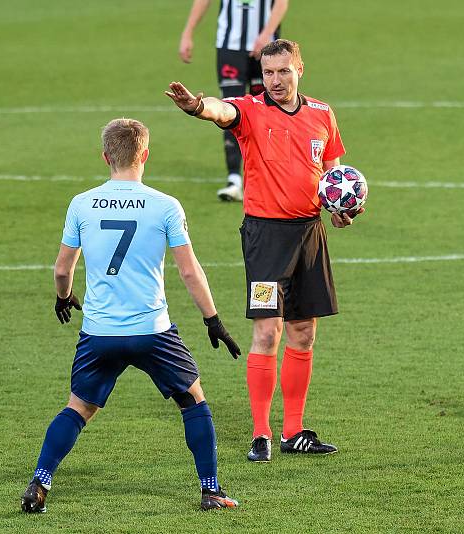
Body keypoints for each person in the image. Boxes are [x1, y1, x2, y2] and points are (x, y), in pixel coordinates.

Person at [20, 118, 242, 513]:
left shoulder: (82, 203)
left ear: (106, 156)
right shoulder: (165, 205)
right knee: (194, 402)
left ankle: (40, 482)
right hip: (152, 331)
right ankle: (210, 490)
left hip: (99, 332)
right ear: (145, 156)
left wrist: (64, 297)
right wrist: (213, 320)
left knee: (78, 408)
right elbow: (189, 271)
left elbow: (61, 269)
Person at [165, 38, 362, 462]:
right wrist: (198, 106)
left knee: (304, 332)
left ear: (299, 70)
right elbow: (222, 110)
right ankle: (261, 432)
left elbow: (332, 173)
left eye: (283, 71)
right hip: (265, 240)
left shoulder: (322, 114)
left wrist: (338, 209)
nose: (274, 80)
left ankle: (294, 431)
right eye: (269, 72)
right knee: (267, 330)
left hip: (309, 236)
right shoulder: (251, 110)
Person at [178, 0, 289, 202]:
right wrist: (188, 32)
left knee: (269, 110)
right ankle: (234, 179)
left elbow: (282, 2)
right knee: (229, 107)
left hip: (267, 47)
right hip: (229, 47)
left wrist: (266, 34)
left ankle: (271, 178)